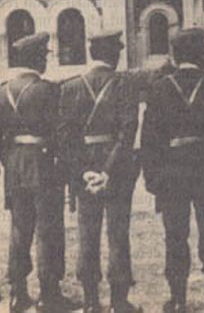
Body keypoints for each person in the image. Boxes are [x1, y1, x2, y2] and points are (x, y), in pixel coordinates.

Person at [141, 28, 204, 313]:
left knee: (175, 234)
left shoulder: (159, 88)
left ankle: (179, 299)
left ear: (175, 55)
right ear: (200, 53)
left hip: (172, 173)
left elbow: (149, 139)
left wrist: (152, 177)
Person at [58, 31, 142, 313]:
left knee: (87, 233)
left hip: (85, 171)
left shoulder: (70, 87)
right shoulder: (124, 85)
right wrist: (107, 171)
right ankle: (119, 302)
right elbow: (127, 132)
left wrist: (84, 172)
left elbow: (66, 138)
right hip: (116, 170)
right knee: (118, 233)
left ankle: (92, 302)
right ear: (114, 55)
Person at [0, 32, 74, 312]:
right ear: (36, 59)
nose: (45, 60)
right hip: (43, 166)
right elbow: (60, 134)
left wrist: (11, 160)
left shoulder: (1, 91)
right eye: (43, 56)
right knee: (47, 230)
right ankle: (49, 295)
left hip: (14, 167)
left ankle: (18, 294)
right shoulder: (49, 90)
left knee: (19, 230)